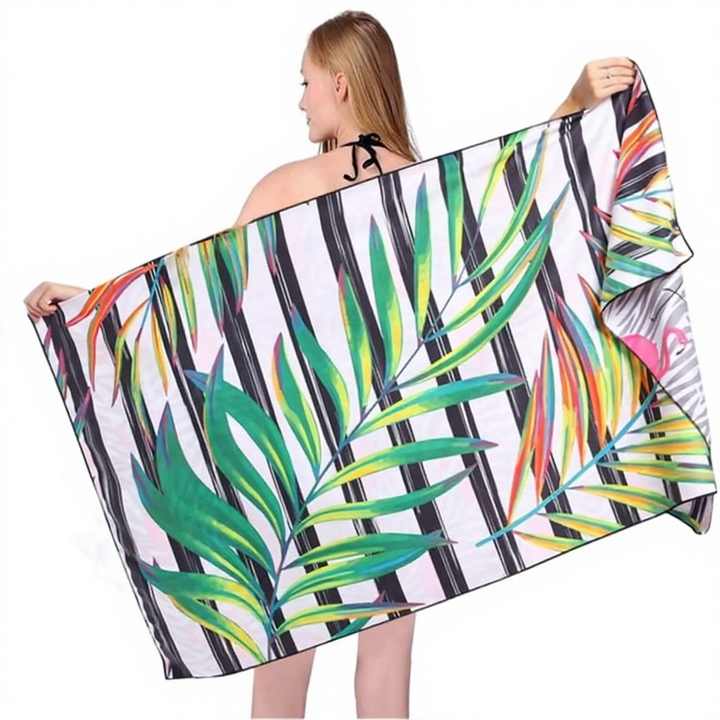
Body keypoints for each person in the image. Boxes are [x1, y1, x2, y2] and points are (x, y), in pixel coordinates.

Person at [22, 8, 637, 718]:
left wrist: (90, 312)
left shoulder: (286, 186)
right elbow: (507, 213)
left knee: (282, 667)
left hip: (302, 465)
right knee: (386, 667)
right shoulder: (422, 182)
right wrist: (574, 104)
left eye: (306, 82)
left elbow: (203, 317)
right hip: (398, 460)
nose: (301, 101)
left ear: (340, 84)